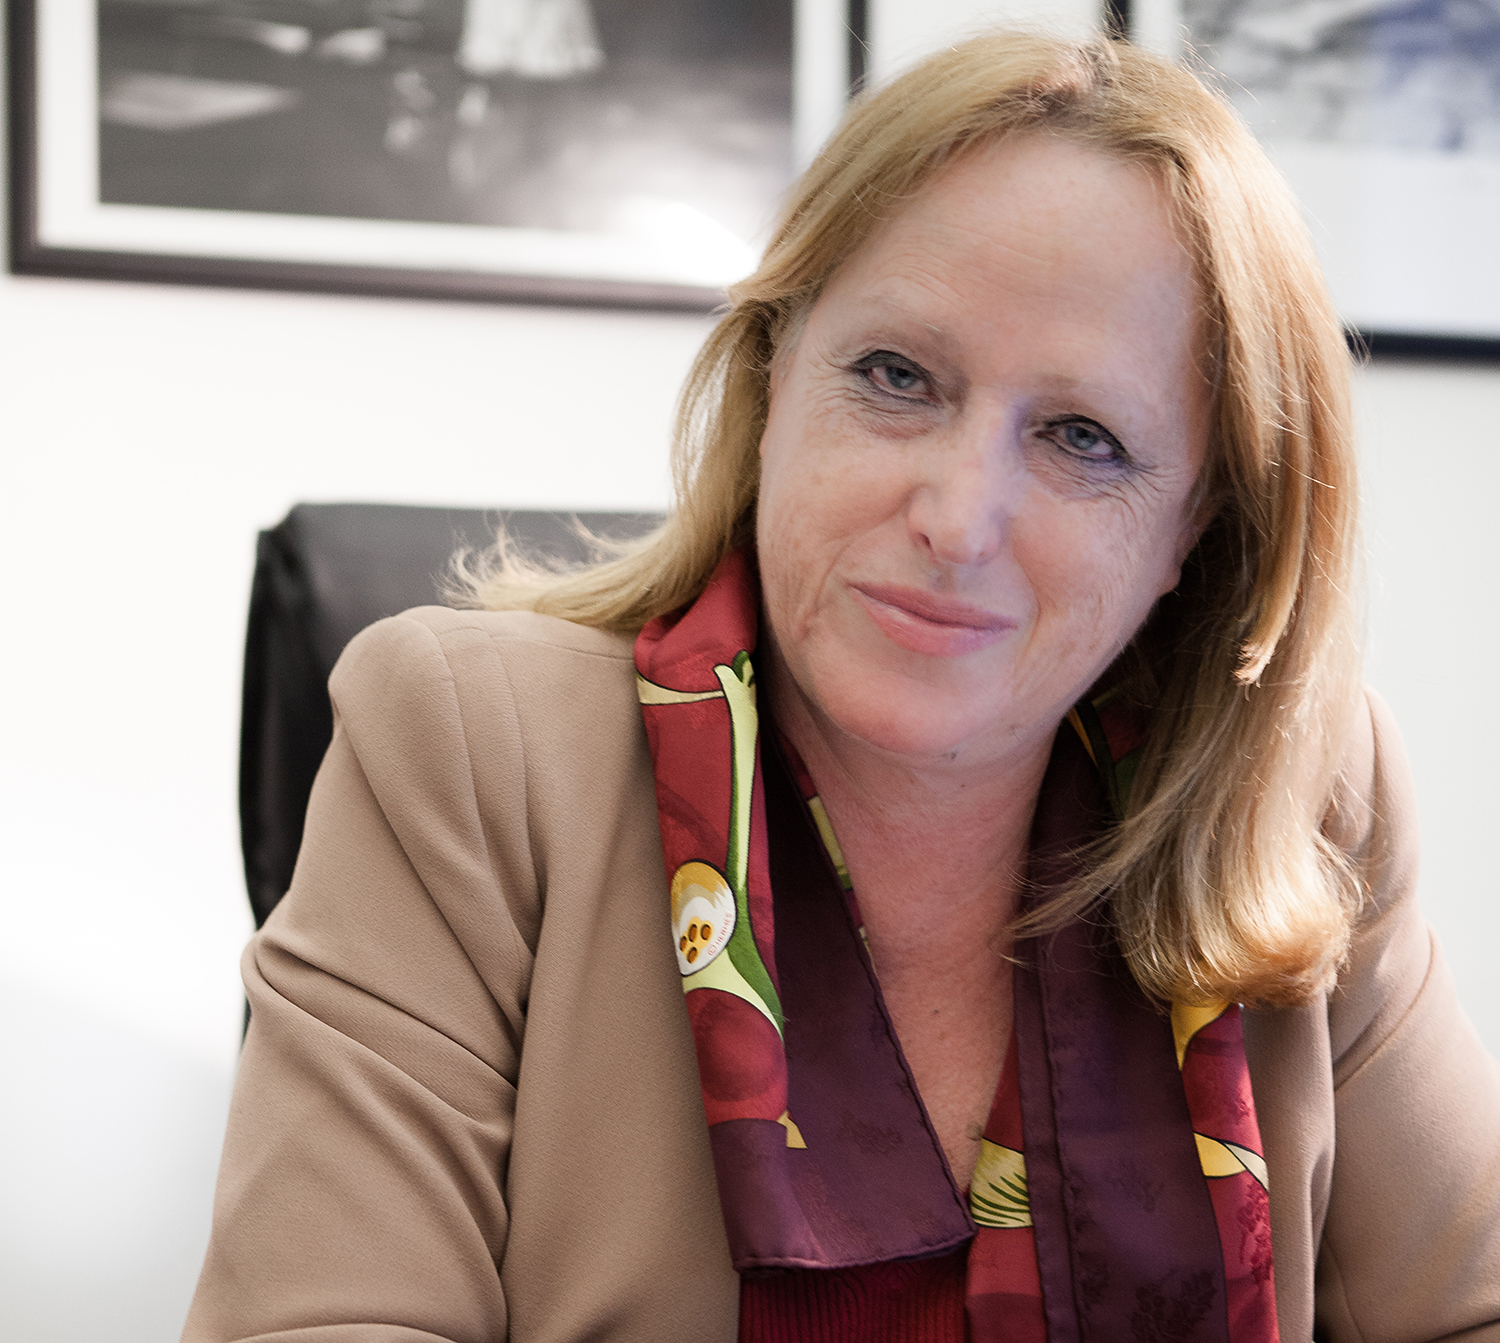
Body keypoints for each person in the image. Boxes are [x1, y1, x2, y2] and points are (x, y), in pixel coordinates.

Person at [182, 30, 1500, 1343]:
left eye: (1083, 437)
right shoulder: (475, 749)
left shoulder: (1297, 795)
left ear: (1193, 533)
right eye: (896, 377)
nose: (958, 518)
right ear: (773, 379)